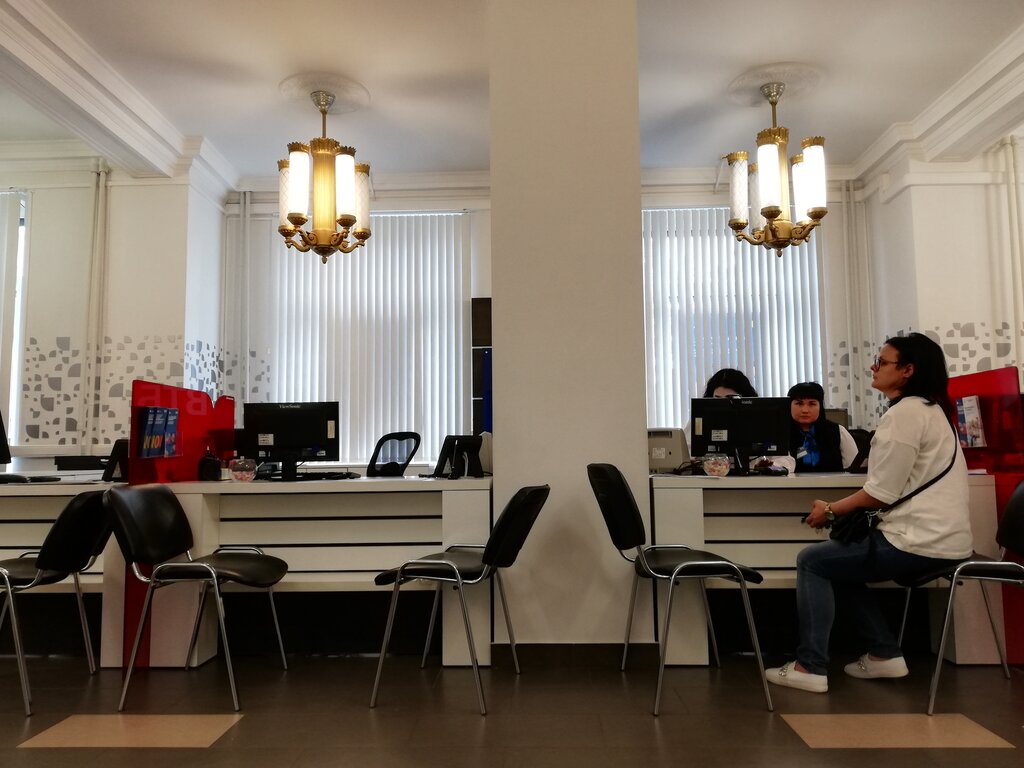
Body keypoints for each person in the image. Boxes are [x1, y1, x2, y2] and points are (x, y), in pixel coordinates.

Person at [765, 332, 972, 694]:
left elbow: (879, 494)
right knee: (837, 566)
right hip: (946, 539)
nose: (873, 368)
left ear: (907, 370)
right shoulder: (934, 411)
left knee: (812, 561)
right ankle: (884, 653)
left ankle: (809, 666)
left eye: (882, 362)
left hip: (917, 541)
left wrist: (830, 510)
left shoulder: (904, 415)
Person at [787, 381, 859, 472]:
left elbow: (854, 467)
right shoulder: (779, 434)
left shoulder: (838, 431)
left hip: (834, 481)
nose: (805, 410)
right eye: (799, 404)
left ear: (820, 406)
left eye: (812, 404)